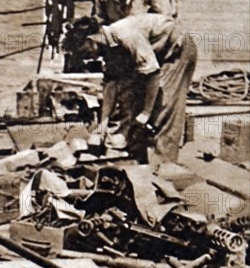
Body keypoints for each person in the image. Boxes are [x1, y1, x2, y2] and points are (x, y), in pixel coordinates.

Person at [84, 13, 197, 165]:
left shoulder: (125, 35)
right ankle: (138, 158)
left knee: (163, 109)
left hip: (177, 50)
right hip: (156, 55)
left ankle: (163, 168)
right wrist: (102, 126)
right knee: (130, 99)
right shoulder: (108, 44)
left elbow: (153, 73)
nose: (89, 58)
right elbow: (111, 85)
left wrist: (146, 112)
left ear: (91, 40)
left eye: (86, 52)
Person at [92, 0, 173, 143]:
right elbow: (100, 23)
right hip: (120, 44)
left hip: (153, 46)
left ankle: (154, 144)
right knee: (119, 87)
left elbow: (165, 23)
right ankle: (122, 134)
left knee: (155, 95)